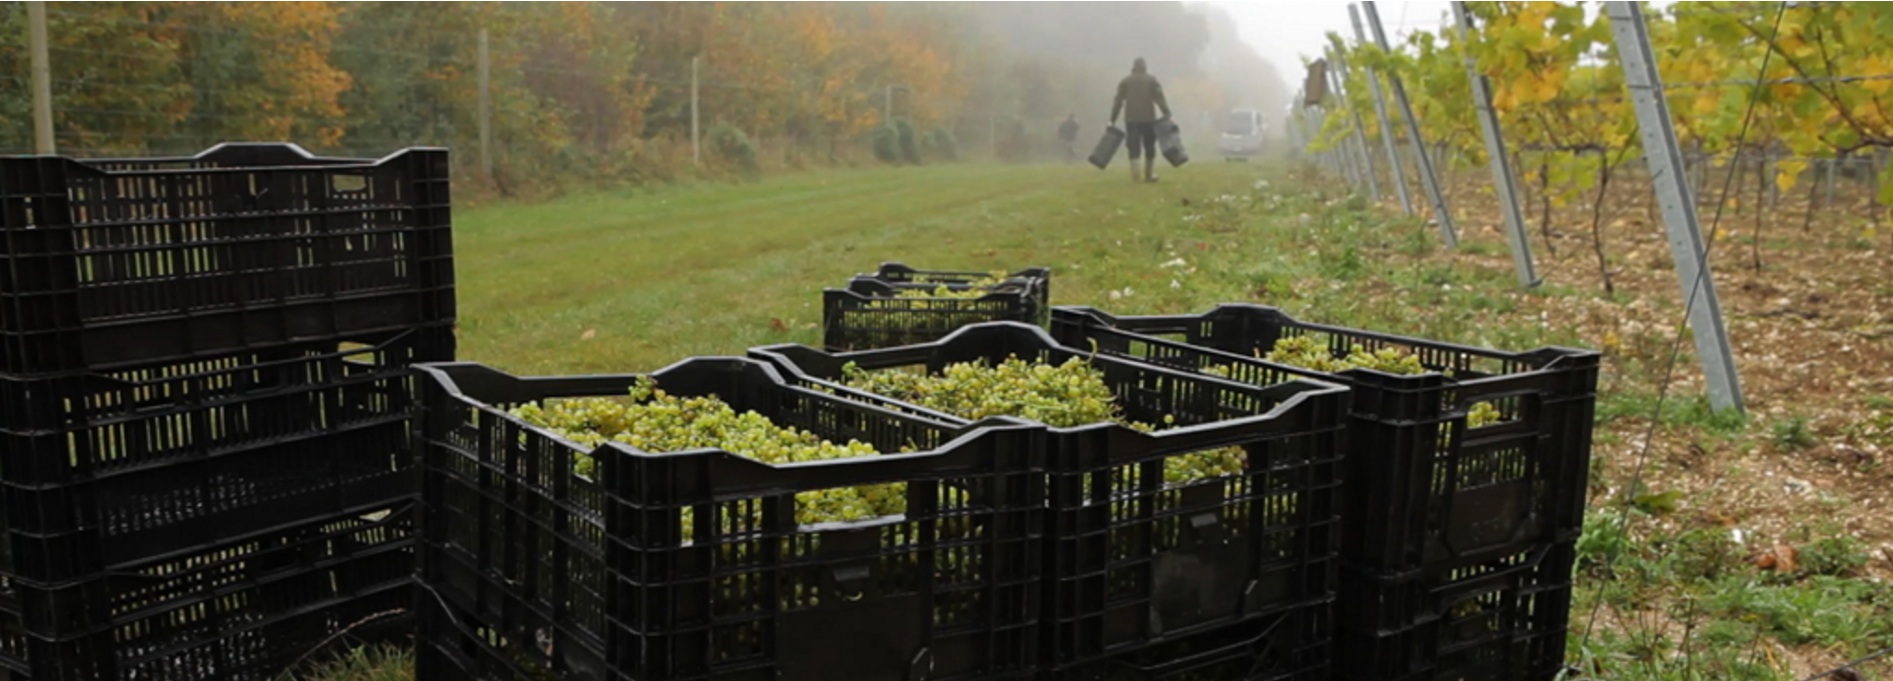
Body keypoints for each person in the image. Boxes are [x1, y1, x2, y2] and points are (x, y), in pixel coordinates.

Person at [1110, 57, 1172, 183]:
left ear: (1133, 67)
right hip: (1148, 118)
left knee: (1133, 146)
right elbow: (1159, 98)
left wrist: (1112, 119)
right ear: (1145, 67)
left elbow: (1118, 101)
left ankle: (1136, 176)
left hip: (1131, 119)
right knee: (1149, 146)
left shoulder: (1125, 81)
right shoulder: (1151, 80)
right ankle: (1148, 175)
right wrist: (1167, 113)